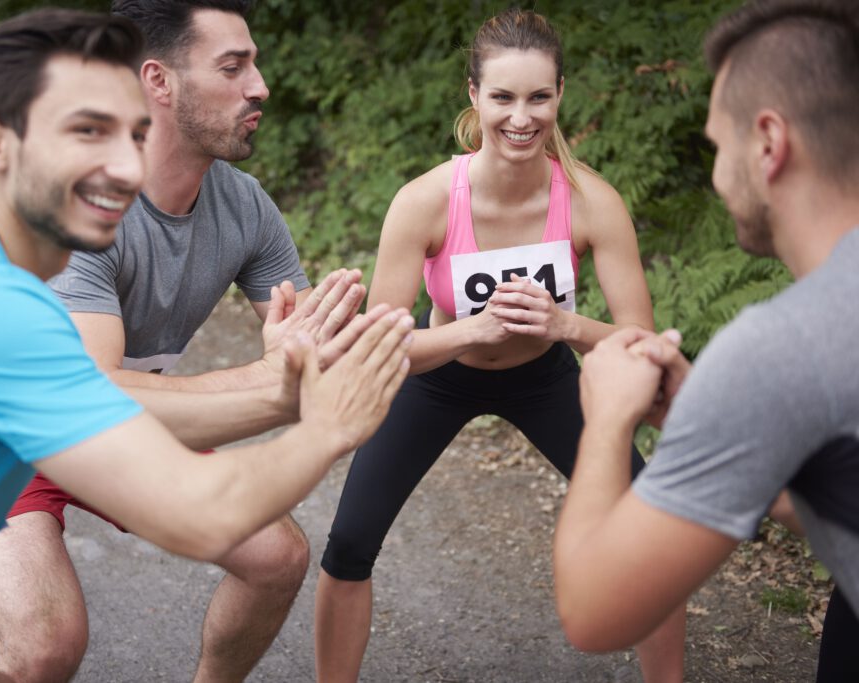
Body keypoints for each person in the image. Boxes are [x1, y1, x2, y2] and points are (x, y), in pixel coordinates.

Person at [0, 9, 413, 682]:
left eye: (134, 133)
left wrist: (289, 389)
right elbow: (201, 512)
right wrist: (325, 422)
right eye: (86, 131)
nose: (122, 163)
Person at [0, 2, 371, 682]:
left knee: (276, 557)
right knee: (45, 649)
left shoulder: (244, 205)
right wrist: (274, 382)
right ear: (158, 81)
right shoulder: (81, 201)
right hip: (5, 437)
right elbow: (92, 391)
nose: (261, 85)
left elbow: (307, 342)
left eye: (255, 63)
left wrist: (337, 348)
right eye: (233, 67)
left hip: (122, 431)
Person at [314, 8, 685, 683]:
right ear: (473, 96)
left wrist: (565, 327)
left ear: (560, 95)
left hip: (546, 377)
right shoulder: (424, 202)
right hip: (434, 376)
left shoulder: (592, 201)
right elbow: (379, 347)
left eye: (539, 96)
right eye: (504, 97)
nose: (522, 116)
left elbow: (644, 345)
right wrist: (471, 330)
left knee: (651, 531)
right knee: (348, 543)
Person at [551, 1, 859, 681]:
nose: (718, 174)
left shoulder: (782, 346)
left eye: (718, 146)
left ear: (769, 144)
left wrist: (604, 418)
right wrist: (714, 421)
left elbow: (593, 611)